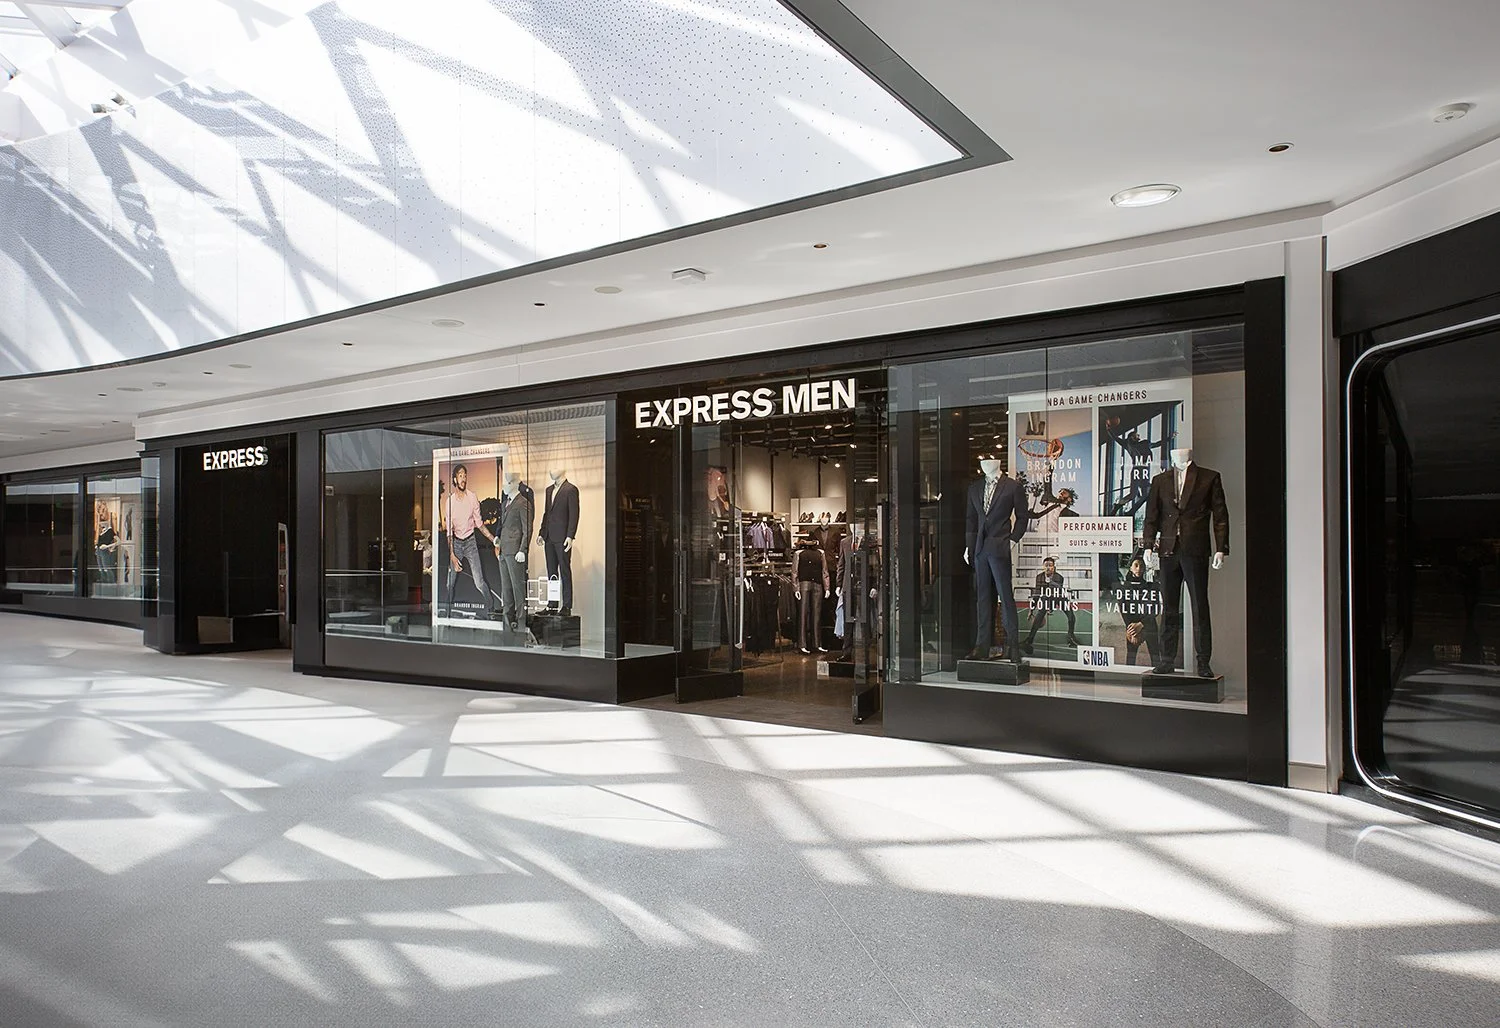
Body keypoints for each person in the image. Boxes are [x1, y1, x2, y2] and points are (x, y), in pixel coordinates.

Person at [965, 458, 1029, 661]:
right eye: (982, 462)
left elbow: (1022, 516)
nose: (985, 464)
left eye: (989, 461)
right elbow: (971, 520)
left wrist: (1013, 540)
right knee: (982, 598)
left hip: (1000, 544)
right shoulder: (974, 488)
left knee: (1005, 595)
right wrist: (969, 546)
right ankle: (982, 646)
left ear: (998, 463)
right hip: (980, 548)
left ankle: (1013, 647)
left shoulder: (1012, 487)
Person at [444, 464, 500, 619]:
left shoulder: (472, 497)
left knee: (479, 582)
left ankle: (491, 609)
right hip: (456, 544)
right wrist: (453, 555)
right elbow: (449, 532)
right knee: (450, 583)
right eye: (461, 476)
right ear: (455, 479)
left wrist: (493, 539)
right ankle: (447, 612)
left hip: (470, 543)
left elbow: (479, 524)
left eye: (465, 475)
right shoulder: (449, 502)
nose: (464, 478)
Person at [1021, 557, 1081, 654]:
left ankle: (1071, 636)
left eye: (1050, 565)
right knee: (1039, 617)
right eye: (1046, 565)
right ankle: (1029, 639)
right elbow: (1037, 594)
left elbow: (1055, 593)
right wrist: (1031, 610)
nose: (1048, 567)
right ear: (1043, 567)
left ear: (1054, 567)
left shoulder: (1059, 577)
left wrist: (1051, 608)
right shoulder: (1039, 577)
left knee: (1071, 617)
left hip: (1060, 598)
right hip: (1046, 599)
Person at [1116, 557, 1161, 667]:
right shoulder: (1124, 588)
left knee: (1155, 657)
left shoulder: (1151, 587)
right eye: (1136, 565)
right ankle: (1129, 680)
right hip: (1132, 627)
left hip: (1149, 626)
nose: (1139, 568)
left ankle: (1158, 679)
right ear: (1130, 568)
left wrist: (1141, 625)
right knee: (1131, 659)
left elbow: (1156, 608)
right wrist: (1132, 630)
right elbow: (1124, 611)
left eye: (1142, 565)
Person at [795, 540, 830, 654]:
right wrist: (796, 588)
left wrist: (827, 588)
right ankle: (802, 644)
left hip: (817, 583)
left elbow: (824, 571)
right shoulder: (799, 553)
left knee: (816, 614)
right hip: (804, 583)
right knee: (803, 614)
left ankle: (817, 643)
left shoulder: (821, 553)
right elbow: (794, 572)